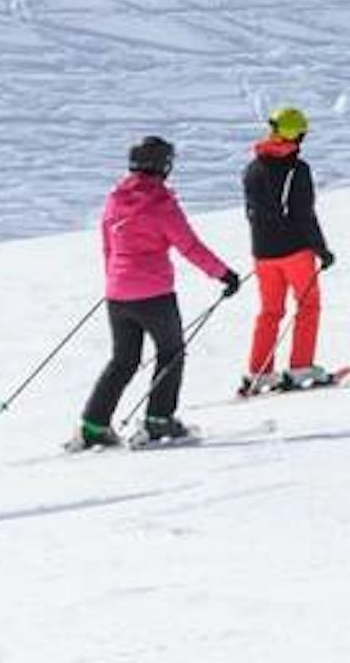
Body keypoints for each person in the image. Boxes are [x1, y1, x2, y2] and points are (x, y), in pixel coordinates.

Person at [75, 134, 239, 448]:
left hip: (118, 294)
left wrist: (114, 281)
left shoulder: (114, 200)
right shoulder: (161, 204)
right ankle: (159, 421)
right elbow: (189, 245)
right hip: (154, 294)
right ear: (162, 166)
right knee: (171, 352)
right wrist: (223, 274)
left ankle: (93, 426)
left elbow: (108, 246)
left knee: (123, 360)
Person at [237, 106, 338, 395]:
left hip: (262, 253)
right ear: (298, 135)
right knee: (308, 305)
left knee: (270, 311)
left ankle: (259, 372)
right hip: (294, 252)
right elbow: (303, 213)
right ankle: (300, 366)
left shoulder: (253, 168)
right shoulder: (297, 169)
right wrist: (321, 249)